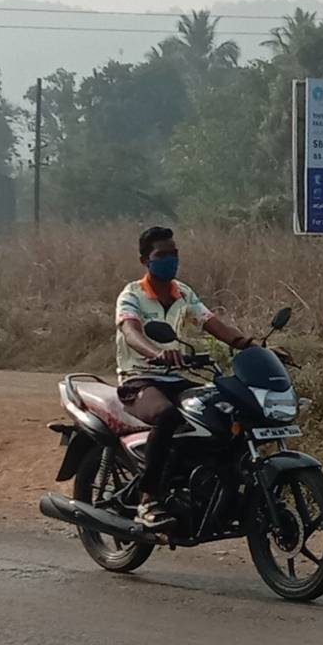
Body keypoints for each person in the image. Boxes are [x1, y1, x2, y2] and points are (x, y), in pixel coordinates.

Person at [114, 226, 255, 528]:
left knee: (223, 409)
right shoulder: (132, 294)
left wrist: (251, 345)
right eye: (161, 255)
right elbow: (130, 331)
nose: (170, 260)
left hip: (176, 378)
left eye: (174, 254)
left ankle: (218, 489)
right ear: (145, 261)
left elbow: (213, 324)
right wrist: (155, 353)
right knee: (166, 416)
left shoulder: (183, 292)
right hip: (139, 379)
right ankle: (148, 499)